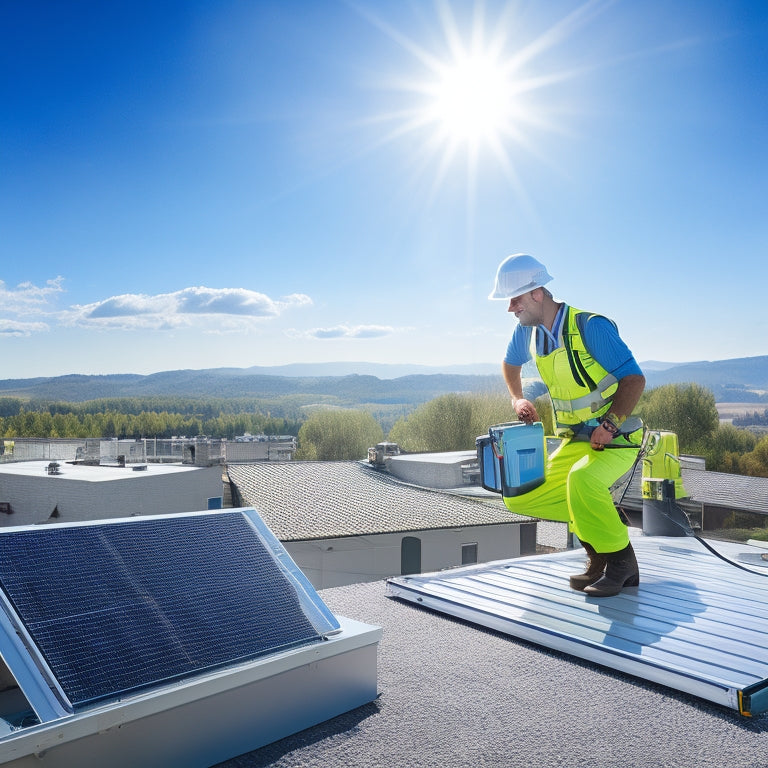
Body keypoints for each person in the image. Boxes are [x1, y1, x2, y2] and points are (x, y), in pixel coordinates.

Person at [489, 253, 646, 597]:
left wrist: (610, 422)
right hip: (575, 440)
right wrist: (517, 398)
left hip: (618, 438)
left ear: (536, 294)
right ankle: (602, 532)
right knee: (519, 497)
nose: (510, 308)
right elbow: (509, 365)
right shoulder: (527, 334)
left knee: (582, 480)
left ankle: (621, 564)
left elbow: (634, 379)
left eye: (514, 298)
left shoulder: (590, 326)